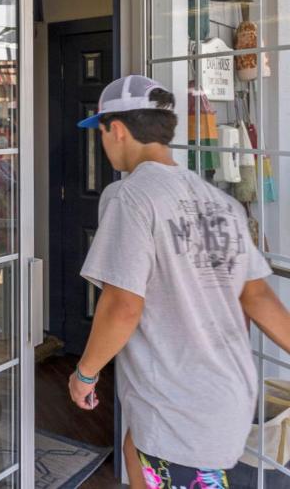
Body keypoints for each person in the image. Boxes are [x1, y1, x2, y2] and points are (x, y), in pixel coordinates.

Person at [67, 75, 290, 488]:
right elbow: (257, 296)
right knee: (135, 447)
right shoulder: (221, 203)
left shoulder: (131, 197)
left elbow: (123, 304)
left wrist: (85, 373)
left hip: (178, 399)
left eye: (102, 132)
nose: (103, 142)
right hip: (227, 388)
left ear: (118, 130)